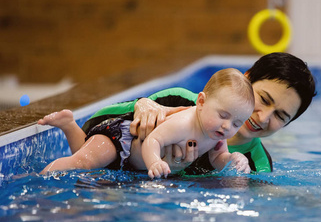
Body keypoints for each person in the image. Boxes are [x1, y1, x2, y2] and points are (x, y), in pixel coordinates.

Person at [80, 53, 317, 174]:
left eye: (280, 116)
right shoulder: (177, 102)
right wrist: (139, 105)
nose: (263, 117)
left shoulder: (257, 166)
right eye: (264, 99)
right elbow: (93, 122)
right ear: (245, 79)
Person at [39, 68, 255, 179]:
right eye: (223, 115)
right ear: (201, 102)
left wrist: (232, 158)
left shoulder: (217, 134)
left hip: (130, 163)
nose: (227, 127)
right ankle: (41, 179)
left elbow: (217, 158)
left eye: (237, 123)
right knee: (83, 161)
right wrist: (154, 162)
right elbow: (153, 140)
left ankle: (68, 125)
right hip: (120, 140)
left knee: (86, 157)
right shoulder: (185, 122)